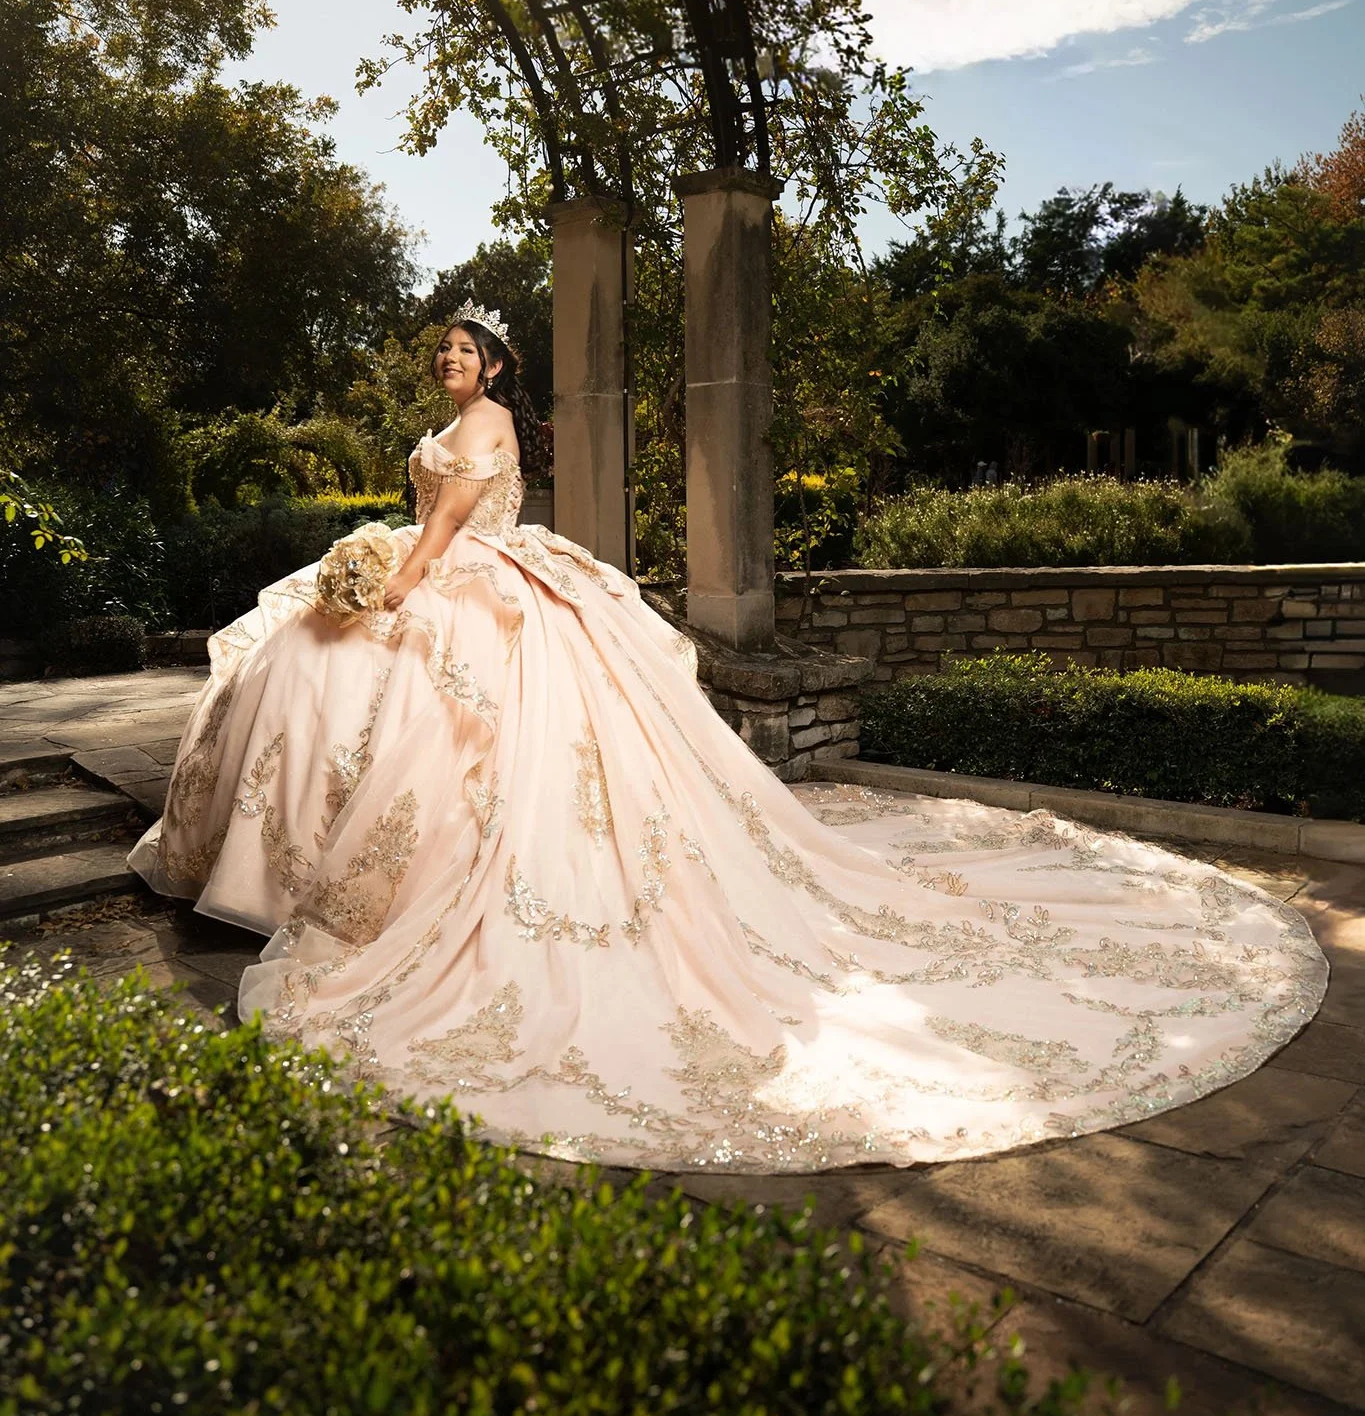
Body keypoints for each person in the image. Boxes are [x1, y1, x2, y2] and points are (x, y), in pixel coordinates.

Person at [131, 305, 1326, 1173]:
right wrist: (373, 559)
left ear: (496, 365)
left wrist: (397, 581)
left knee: (436, 716)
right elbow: (426, 505)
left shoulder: (488, 428)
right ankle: (294, 863)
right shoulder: (453, 419)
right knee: (307, 670)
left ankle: (379, 882)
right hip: (443, 563)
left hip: (469, 575)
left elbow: (447, 517)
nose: (450, 365)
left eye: (465, 351)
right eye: (441, 352)